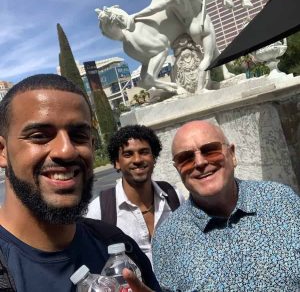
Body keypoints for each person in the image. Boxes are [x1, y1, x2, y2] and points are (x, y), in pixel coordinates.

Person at [0, 74, 159, 292]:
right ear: (2, 151)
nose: (66, 150)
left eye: (79, 136)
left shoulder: (119, 249)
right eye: (39, 136)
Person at [152, 120, 300, 291]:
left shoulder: (281, 200)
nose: (200, 163)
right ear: (178, 169)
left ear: (232, 154)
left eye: (210, 150)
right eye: (186, 158)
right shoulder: (166, 239)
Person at [86, 125, 185, 264]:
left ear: (154, 157)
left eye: (144, 152)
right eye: (128, 154)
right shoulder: (99, 211)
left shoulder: (173, 197)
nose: (137, 160)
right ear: (117, 162)